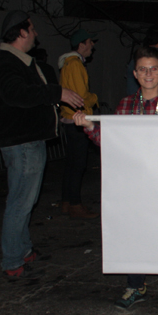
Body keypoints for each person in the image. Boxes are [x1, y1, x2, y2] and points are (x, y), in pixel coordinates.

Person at [74, 46, 158, 309]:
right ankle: (136, 285)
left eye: (153, 68)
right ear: (135, 74)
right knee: (134, 232)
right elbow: (116, 144)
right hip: (136, 184)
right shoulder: (126, 105)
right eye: (142, 69)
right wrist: (91, 127)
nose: (148, 73)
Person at [0, 10, 84, 280]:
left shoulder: (21, 61)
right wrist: (57, 92)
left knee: (26, 199)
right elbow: (16, 94)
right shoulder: (7, 61)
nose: (35, 34)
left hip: (29, 141)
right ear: (21, 32)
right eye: (31, 29)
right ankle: (11, 260)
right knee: (21, 202)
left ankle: (23, 250)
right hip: (22, 142)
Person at [58, 28, 100, 220]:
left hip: (70, 118)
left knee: (72, 164)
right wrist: (95, 98)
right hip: (78, 119)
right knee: (78, 164)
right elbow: (81, 98)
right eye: (90, 41)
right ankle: (75, 204)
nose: (92, 45)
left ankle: (67, 202)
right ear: (81, 44)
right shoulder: (75, 64)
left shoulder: (70, 64)